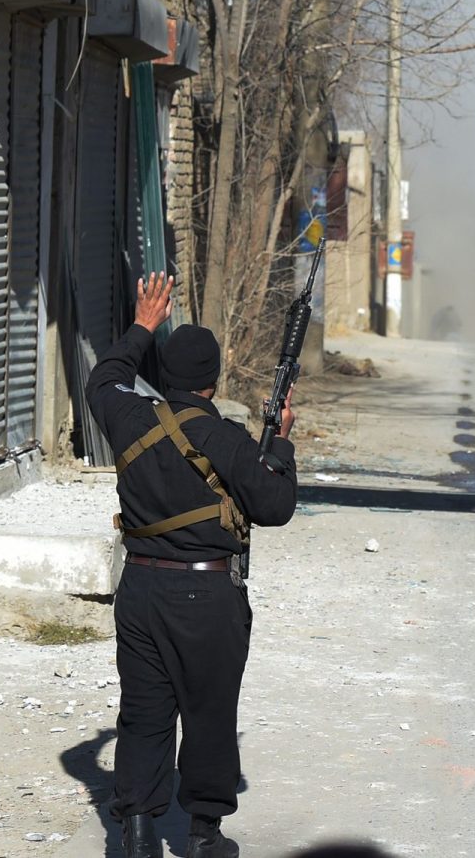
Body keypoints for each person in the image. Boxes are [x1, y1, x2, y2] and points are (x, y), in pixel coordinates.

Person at [86, 274, 298, 858]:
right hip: (208, 599)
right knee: (208, 713)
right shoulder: (228, 440)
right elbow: (275, 506)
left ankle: (135, 830)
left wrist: (141, 325)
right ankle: (203, 835)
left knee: (144, 712)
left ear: (163, 373)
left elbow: (101, 378)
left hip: (141, 591)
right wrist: (279, 444)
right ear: (213, 381)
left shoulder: (127, 417)